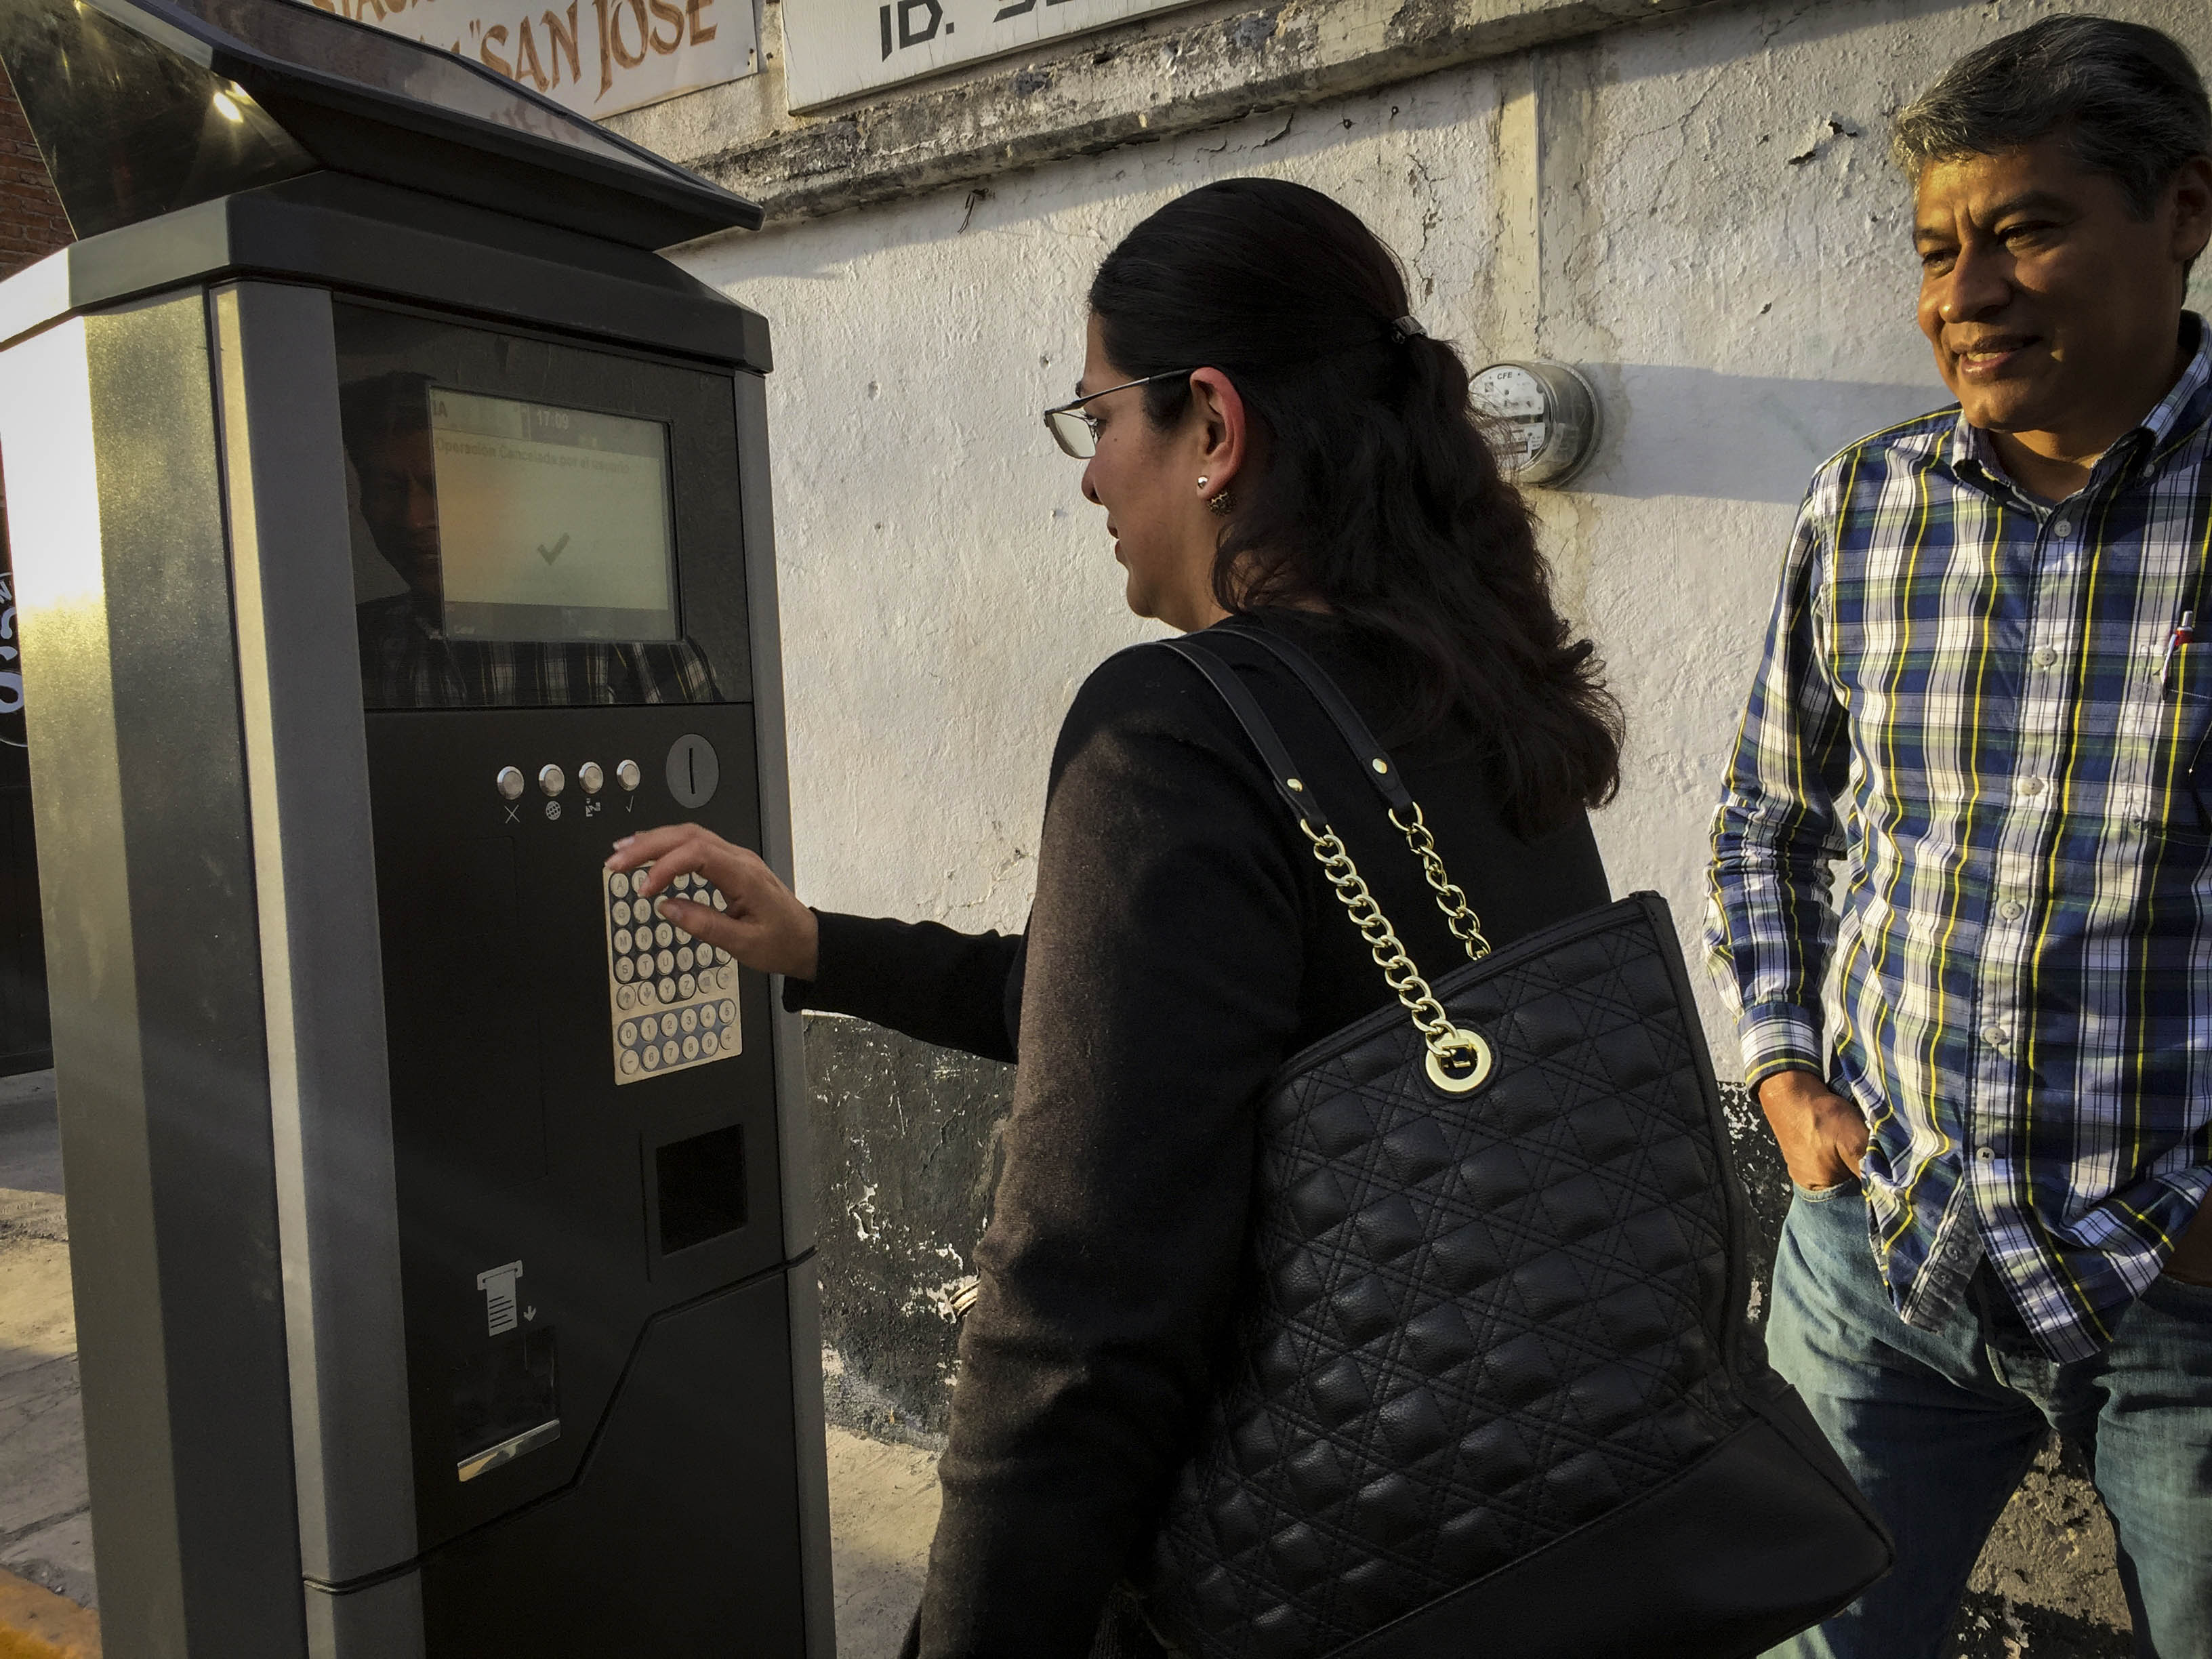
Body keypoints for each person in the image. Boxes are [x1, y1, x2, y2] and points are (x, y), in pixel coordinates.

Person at [606, 178, 1621, 1657]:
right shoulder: (1477, 683)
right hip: (1531, 1506)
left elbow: (1082, 1316)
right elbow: (1156, 1023)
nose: (1089, 478)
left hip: (1305, 1557)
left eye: (1096, 417)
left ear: (1211, 425)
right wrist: (820, 947)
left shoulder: (1173, 726)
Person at [1705, 17, 2212, 1658]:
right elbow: (1771, 821)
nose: (1966, 295)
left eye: (2027, 230)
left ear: (2182, 212)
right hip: (1882, 1256)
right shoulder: (1866, 507)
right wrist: (1784, 1076)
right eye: (1937, 250)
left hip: (2183, 1299)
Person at [340, 369, 714, 708]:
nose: (414, 519)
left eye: (444, 486)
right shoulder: (355, 646)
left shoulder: (625, 639)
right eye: (387, 489)